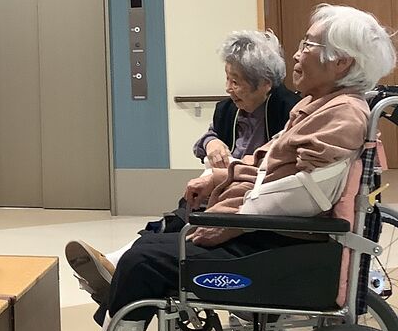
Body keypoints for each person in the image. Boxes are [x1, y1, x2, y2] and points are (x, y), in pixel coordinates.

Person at [41, 5, 396, 331]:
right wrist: (221, 179)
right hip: (278, 237)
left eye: (308, 44)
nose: (297, 53)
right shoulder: (322, 106)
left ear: (341, 62)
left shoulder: (341, 114)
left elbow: (302, 195)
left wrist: (229, 217)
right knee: (149, 249)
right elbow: (271, 170)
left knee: (144, 262)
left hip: (281, 243)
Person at [67, 30, 299, 304]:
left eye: (236, 82)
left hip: (247, 203)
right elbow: (206, 138)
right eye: (227, 78)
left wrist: (221, 176)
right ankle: (115, 270)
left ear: (265, 84)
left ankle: (115, 270)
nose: (228, 88)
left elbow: (269, 165)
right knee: (170, 224)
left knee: (170, 232)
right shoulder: (228, 109)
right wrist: (212, 143)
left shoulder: (290, 113)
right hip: (217, 194)